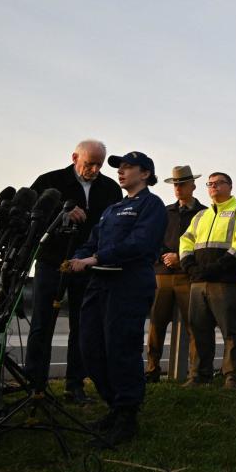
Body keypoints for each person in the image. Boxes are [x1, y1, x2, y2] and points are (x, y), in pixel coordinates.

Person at [68, 151, 167, 447]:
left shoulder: (152, 205)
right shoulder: (113, 209)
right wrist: (77, 258)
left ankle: (127, 415)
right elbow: (91, 241)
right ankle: (114, 404)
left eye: (128, 167)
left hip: (129, 282)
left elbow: (139, 244)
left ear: (145, 173)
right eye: (120, 168)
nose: (121, 172)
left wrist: (96, 257)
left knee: (120, 347)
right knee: (90, 346)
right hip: (100, 283)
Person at [24, 139, 122, 403]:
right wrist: (62, 213)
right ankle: (35, 384)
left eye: (99, 164)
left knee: (84, 326)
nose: (94, 169)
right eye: (89, 163)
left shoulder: (110, 188)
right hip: (52, 260)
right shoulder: (50, 181)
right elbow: (32, 214)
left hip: (88, 264)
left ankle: (74, 385)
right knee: (42, 323)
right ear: (74, 157)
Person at [178, 172, 236, 388]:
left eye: (218, 183)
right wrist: (189, 266)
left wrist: (218, 267)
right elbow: (185, 240)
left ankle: (233, 377)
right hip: (199, 282)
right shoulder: (201, 216)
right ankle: (199, 375)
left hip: (228, 282)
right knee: (199, 330)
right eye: (210, 184)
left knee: (231, 332)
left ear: (229, 186)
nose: (213, 187)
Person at [144, 165, 206, 382]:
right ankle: (152, 370)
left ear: (193, 186)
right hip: (162, 274)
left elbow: (203, 243)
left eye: (182, 184)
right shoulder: (165, 212)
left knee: (194, 325)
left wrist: (181, 258)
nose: (178, 188)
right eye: (176, 185)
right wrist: (165, 257)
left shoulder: (204, 213)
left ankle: (194, 372)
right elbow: (154, 238)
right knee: (156, 324)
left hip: (187, 274)